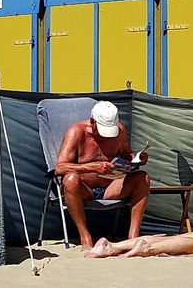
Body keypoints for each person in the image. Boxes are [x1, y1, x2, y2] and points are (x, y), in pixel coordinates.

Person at [55, 100, 151, 249]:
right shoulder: (76, 131)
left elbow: (126, 155)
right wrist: (93, 167)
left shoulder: (119, 131)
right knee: (70, 179)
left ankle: (133, 235)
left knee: (142, 177)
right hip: (84, 189)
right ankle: (85, 236)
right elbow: (60, 168)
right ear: (92, 122)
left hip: (110, 187)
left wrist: (137, 158)